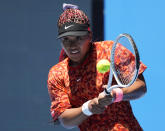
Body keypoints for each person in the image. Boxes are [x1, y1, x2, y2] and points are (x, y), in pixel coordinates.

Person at [47, 3, 147, 131]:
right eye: (66, 39)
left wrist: (116, 95)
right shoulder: (57, 74)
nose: (72, 45)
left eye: (78, 38)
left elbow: (141, 87)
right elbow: (65, 119)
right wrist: (88, 107)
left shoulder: (111, 51)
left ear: (89, 36)